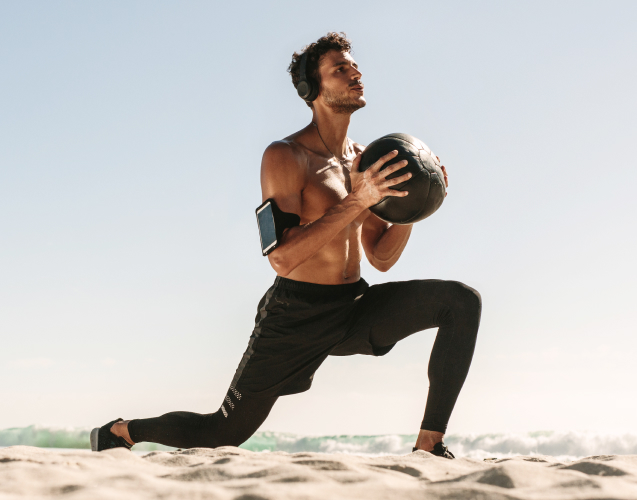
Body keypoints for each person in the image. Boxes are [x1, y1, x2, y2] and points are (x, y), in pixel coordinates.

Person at [91, 32, 481, 459]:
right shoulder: (285, 156)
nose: (356, 73)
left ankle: (429, 445)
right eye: (340, 69)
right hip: (295, 314)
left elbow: (380, 258)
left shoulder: (363, 161)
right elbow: (281, 258)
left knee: (460, 302)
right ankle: (123, 431)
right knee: (224, 430)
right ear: (311, 91)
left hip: (351, 306)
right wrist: (358, 200)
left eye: (354, 66)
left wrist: (415, 207)